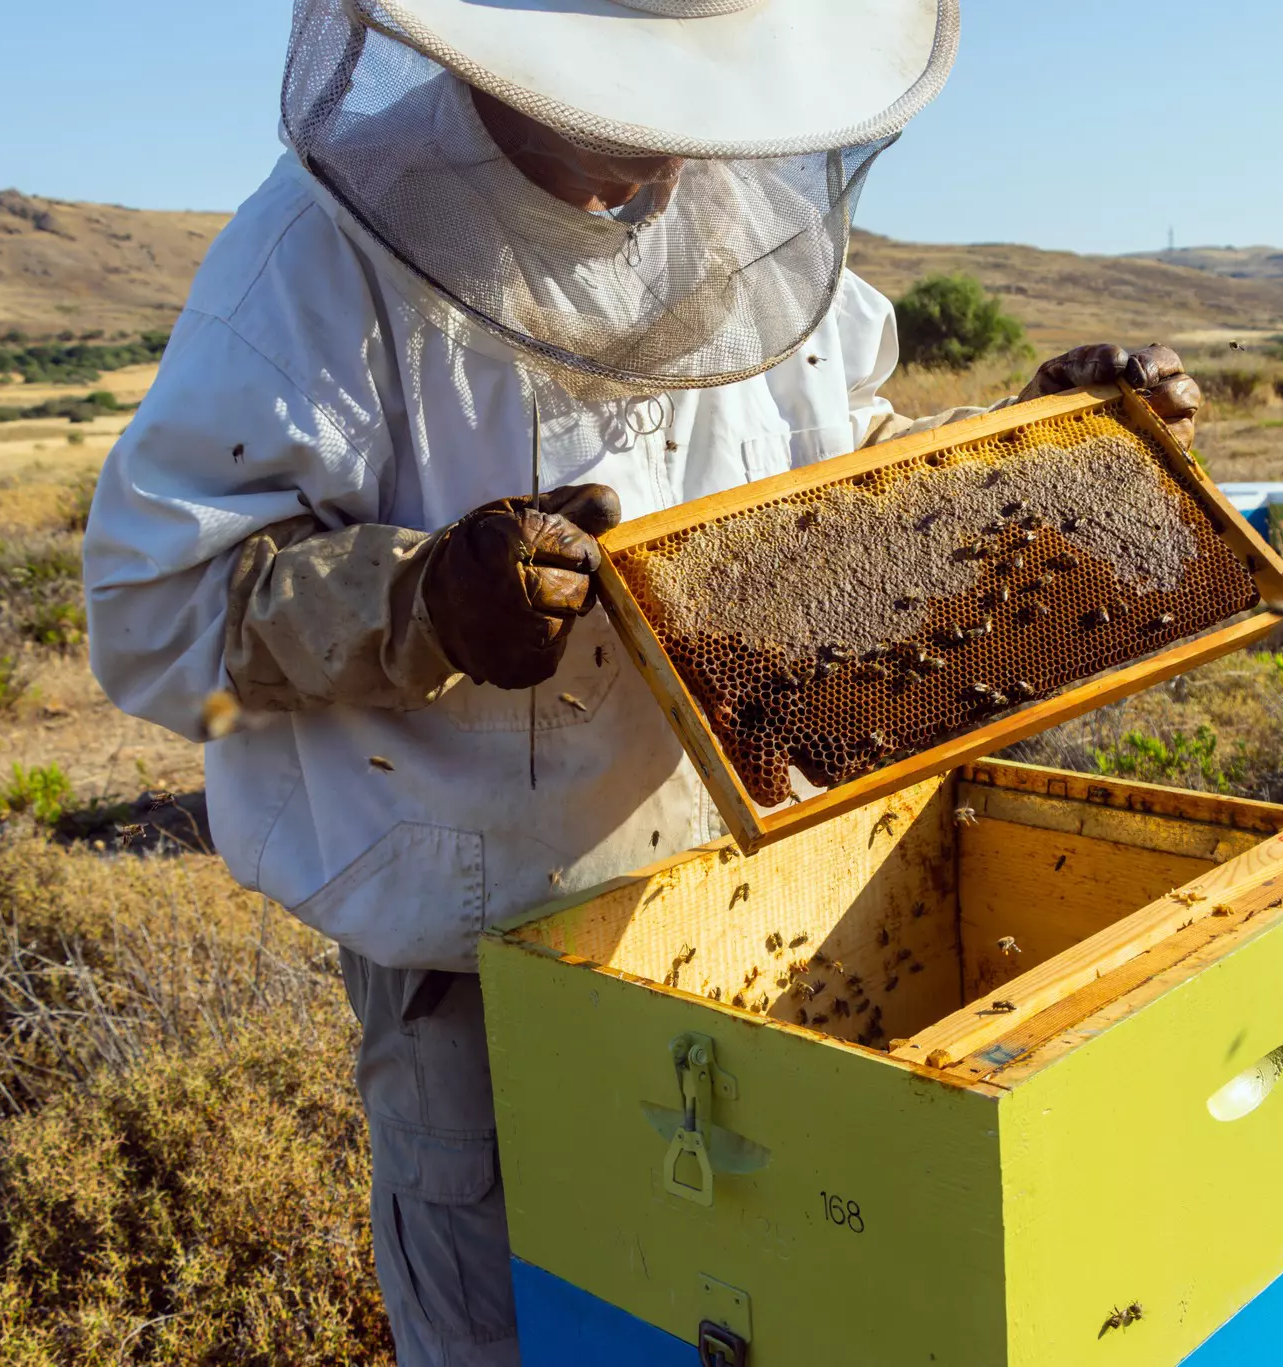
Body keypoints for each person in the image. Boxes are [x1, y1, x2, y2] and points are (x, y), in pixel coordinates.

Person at [82, 2, 1202, 1362]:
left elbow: (845, 470)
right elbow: (154, 615)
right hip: (488, 972)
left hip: (777, 909)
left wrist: (1046, 443)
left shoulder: (744, 214)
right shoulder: (315, 254)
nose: (679, 132)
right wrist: (418, 603)